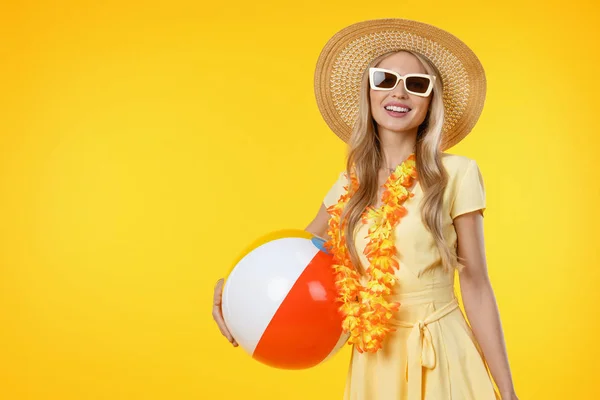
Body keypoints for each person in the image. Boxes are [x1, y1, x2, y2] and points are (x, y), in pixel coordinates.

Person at [212, 18, 518, 400]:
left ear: (430, 102)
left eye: (417, 85)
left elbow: (476, 285)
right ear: (369, 91)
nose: (399, 93)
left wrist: (507, 391)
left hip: (440, 350)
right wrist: (235, 289)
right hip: (375, 360)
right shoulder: (351, 184)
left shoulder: (456, 174)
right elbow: (295, 258)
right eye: (385, 79)